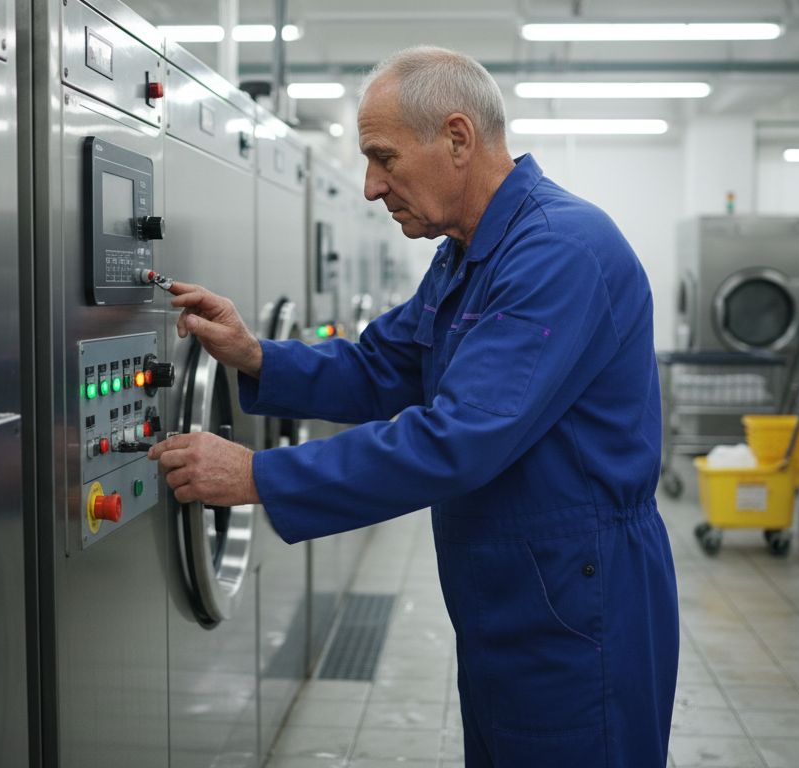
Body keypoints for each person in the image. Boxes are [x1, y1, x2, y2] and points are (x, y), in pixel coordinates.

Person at [147, 46, 677, 768]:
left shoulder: (558, 251)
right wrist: (256, 355)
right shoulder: (469, 253)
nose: (371, 186)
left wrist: (258, 476)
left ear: (457, 138)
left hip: (579, 600)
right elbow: (383, 366)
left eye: (384, 158)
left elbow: (458, 437)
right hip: (511, 592)